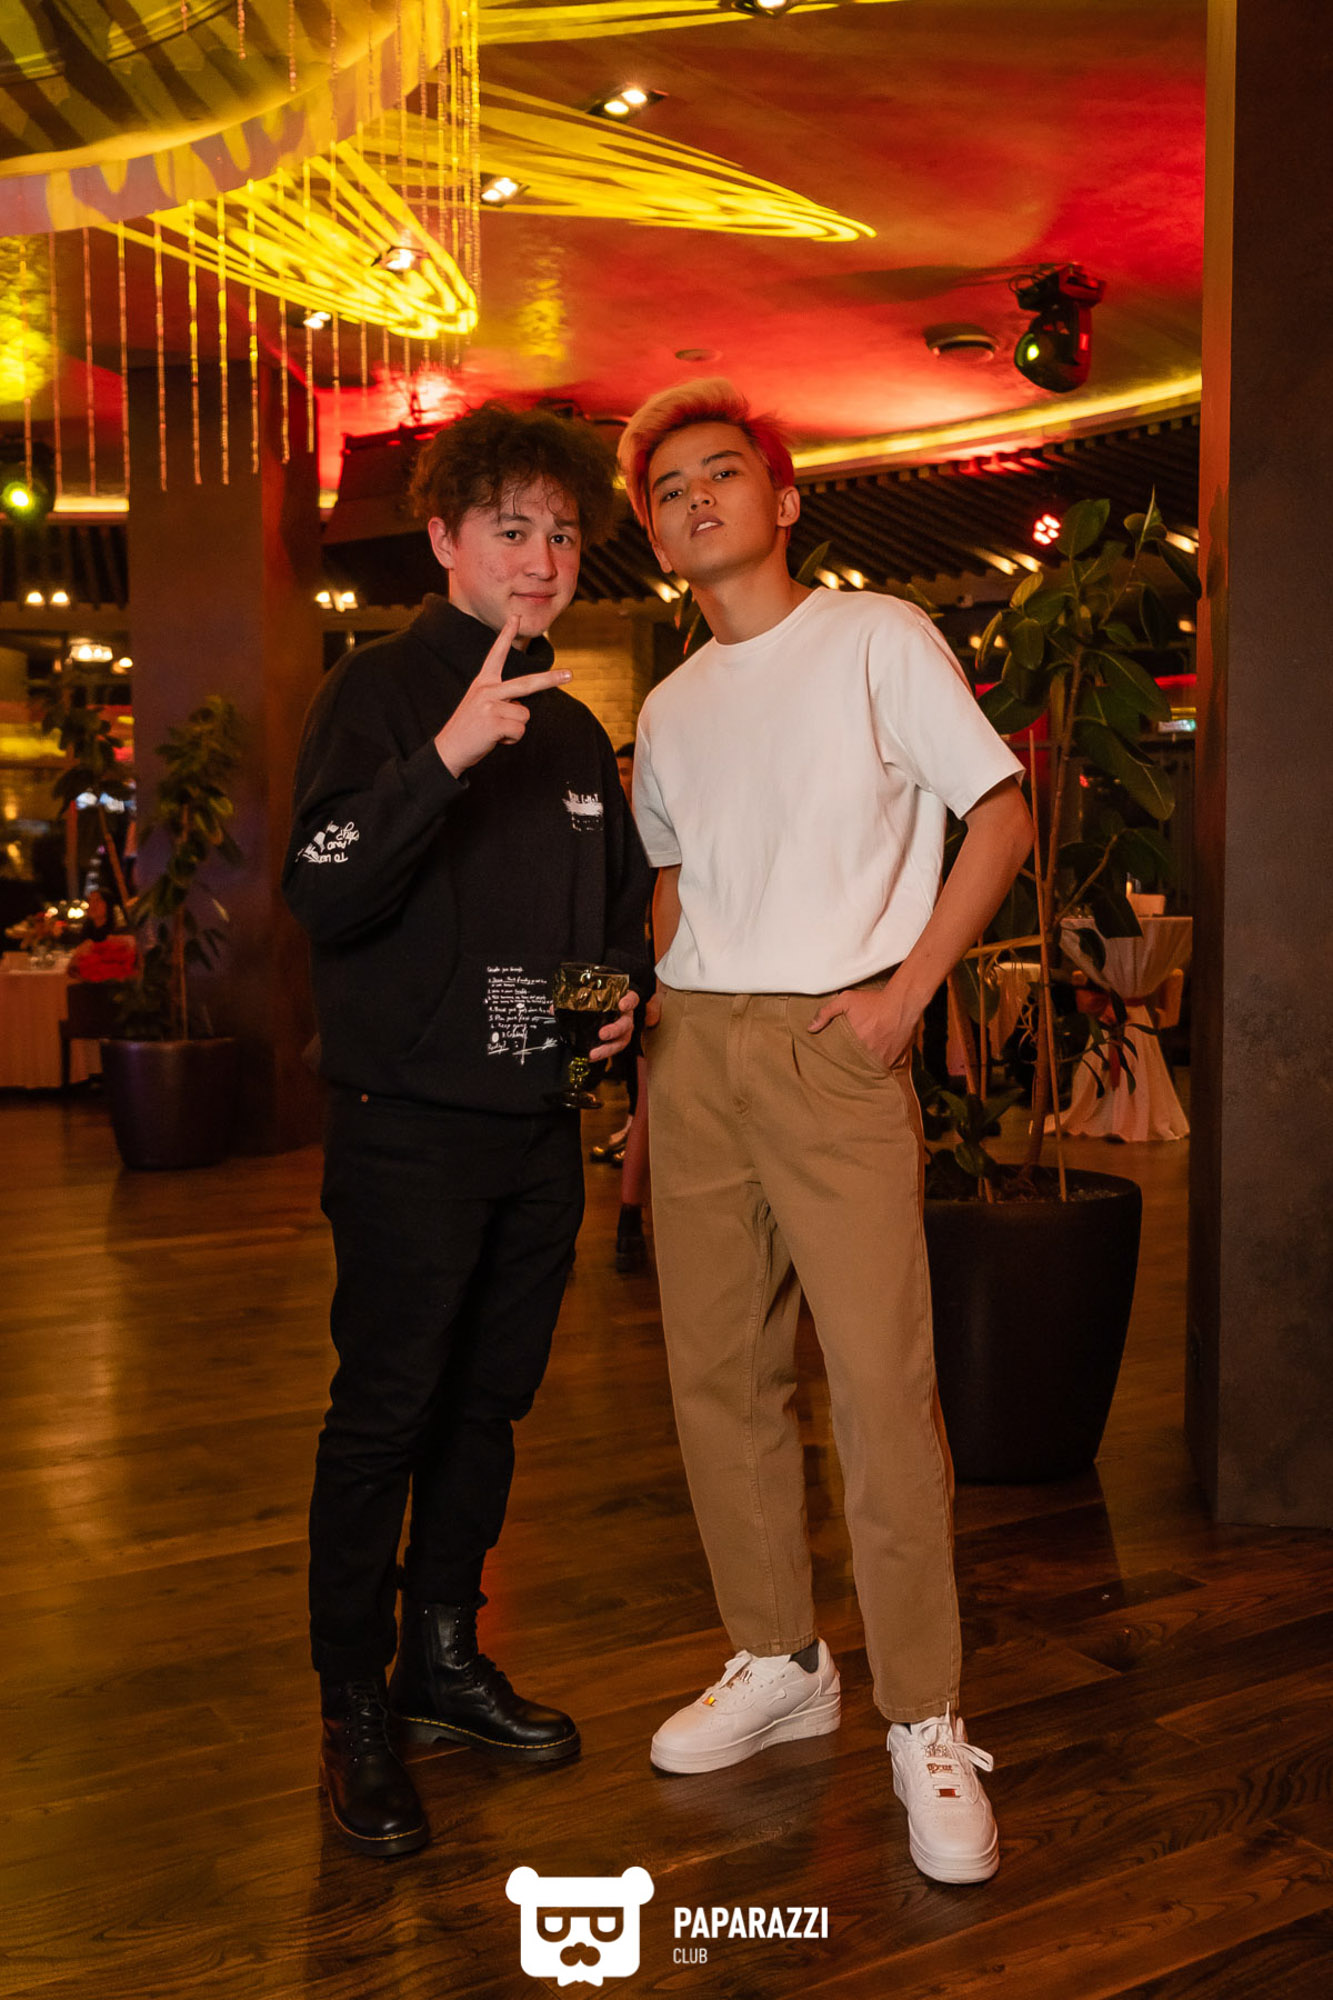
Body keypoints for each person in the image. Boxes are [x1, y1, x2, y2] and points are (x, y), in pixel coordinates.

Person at [620, 379, 1032, 1886]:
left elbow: (1000, 812)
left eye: (720, 472)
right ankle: (781, 1659)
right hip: (697, 1048)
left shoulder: (874, 638)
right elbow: (673, 881)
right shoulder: (668, 706)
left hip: (831, 1043)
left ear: (783, 500)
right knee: (717, 1376)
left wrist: (906, 995)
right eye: (668, 490)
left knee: (877, 1388)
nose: (694, 499)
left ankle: (924, 1713)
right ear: (656, 533)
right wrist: (659, 1039)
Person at [283, 401, 653, 1859]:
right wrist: (443, 754)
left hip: (533, 1130)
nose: (542, 558)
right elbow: (323, 889)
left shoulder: (570, 726)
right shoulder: (378, 694)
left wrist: (614, 1001)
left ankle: (440, 1658)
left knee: (489, 1408)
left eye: (561, 532)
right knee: (384, 1413)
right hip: (406, 1130)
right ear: (443, 538)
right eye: (512, 528)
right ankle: (351, 1704)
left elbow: (606, 917)